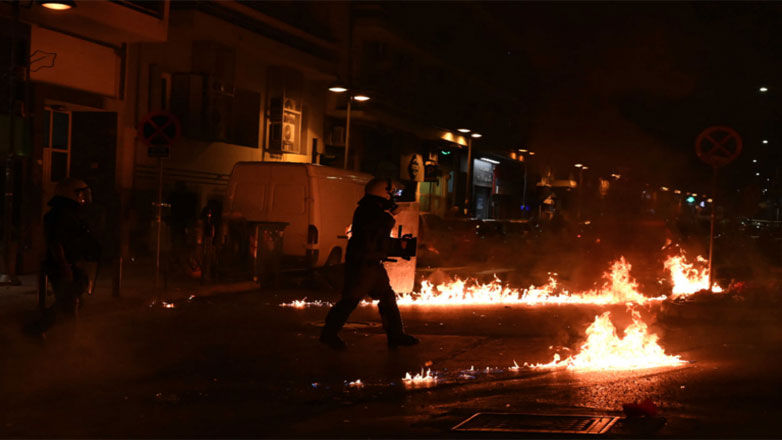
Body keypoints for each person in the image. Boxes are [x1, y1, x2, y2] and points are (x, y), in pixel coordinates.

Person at [320, 178, 419, 350]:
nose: (392, 199)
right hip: (363, 265)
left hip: (371, 263)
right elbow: (375, 240)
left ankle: (395, 335)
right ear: (383, 193)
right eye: (390, 194)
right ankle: (328, 334)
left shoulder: (370, 210)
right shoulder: (372, 213)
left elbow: (377, 239)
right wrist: (398, 243)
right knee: (350, 300)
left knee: (387, 299)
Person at [42, 178, 101, 327]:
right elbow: (56, 242)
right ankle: (41, 329)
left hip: (70, 263)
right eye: (81, 194)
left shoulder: (70, 214)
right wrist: (64, 265)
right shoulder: (61, 216)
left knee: (73, 299)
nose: (83, 198)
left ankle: (43, 329)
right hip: (62, 265)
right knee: (69, 302)